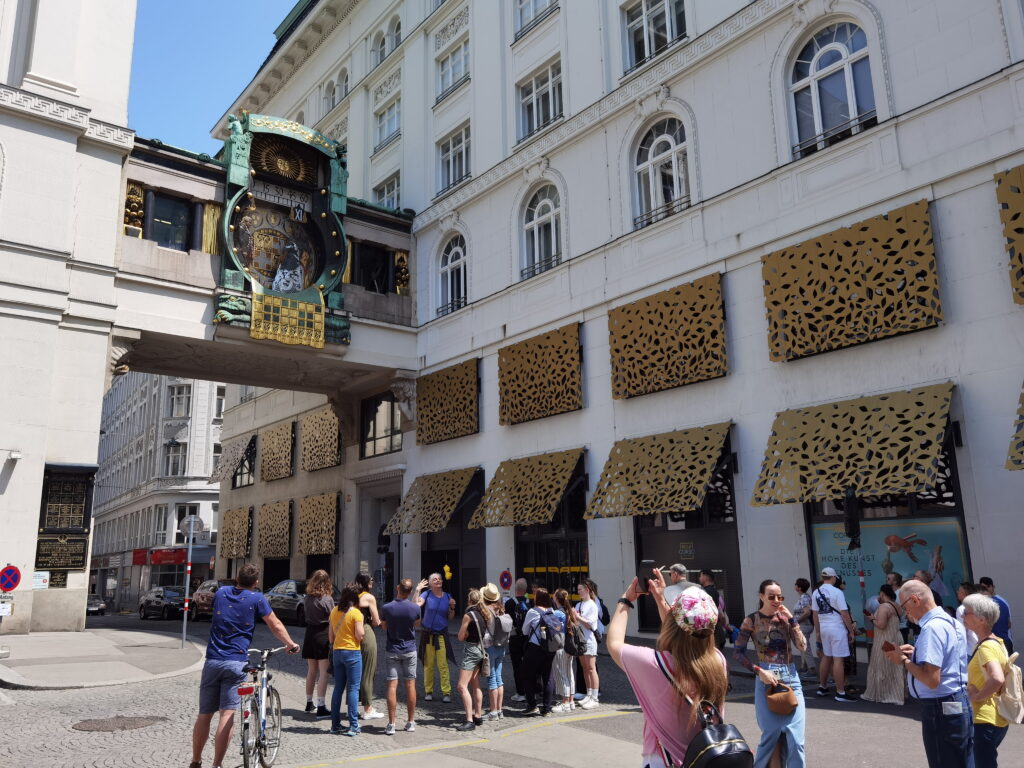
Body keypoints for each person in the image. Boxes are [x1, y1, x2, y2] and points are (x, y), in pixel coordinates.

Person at [608, 568, 728, 768]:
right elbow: (684, 633)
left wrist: (625, 600)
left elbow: (613, 644)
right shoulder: (718, 661)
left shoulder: (654, 664)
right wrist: (660, 599)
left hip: (664, 761)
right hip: (707, 760)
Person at [189, 564, 300, 768]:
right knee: (227, 713)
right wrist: (290, 644)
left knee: (204, 714)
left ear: (236, 579)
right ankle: (216, 764)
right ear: (256, 582)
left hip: (212, 661)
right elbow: (274, 624)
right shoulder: (257, 598)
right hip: (236, 662)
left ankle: (195, 761)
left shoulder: (222, 593)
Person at [884, 579, 973, 768]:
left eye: (904, 606)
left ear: (915, 600)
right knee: (961, 761)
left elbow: (931, 680)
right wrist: (916, 654)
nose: (905, 612)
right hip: (956, 701)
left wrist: (904, 660)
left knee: (943, 761)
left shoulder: (932, 628)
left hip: (940, 707)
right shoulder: (951, 621)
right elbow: (948, 660)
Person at [733, 579, 807, 767]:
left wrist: (792, 619)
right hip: (766, 677)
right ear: (761, 597)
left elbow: (802, 647)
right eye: (771, 596)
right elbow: (737, 653)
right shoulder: (751, 620)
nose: (776, 600)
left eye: (780, 597)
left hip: (790, 677)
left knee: (796, 739)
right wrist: (758, 671)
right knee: (770, 737)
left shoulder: (785, 620)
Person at [962, 593, 1009, 768]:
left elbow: (997, 678)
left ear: (981, 619)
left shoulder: (986, 647)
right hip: (996, 716)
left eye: (967, 612)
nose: (963, 615)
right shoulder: (996, 642)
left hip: (985, 718)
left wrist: (978, 696)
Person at [379, 578, 421, 736]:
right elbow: (416, 624)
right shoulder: (414, 608)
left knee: (392, 686)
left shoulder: (387, 608)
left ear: (398, 588)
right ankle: (410, 722)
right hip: (410, 649)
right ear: (410, 592)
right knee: (411, 685)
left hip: (392, 649)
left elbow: (383, 626)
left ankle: (391, 724)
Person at [811, 567, 857, 702]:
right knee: (838, 660)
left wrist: (817, 631)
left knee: (826, 657)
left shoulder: (816, 592)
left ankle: (822, 687)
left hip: (824, 628)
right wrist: (851, 630)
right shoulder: (837, 592)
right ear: (833, 577)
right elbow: (844, 613)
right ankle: (840, 692)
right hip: (837, 628)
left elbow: (815, 614)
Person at [329, 583, 365, 736]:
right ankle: (353, 726)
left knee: (338, 688)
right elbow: (360, 635)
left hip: (337, 652)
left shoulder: (334, 611)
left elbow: (331, 637)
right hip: (352, 652)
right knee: (353, 688)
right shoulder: (356, 613)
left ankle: (335, 725)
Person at [415, 573, 456, 702]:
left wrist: (452, 607)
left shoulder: (448, 596)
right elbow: (416, 605)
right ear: (430, 583)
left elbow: (450, 617)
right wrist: (417, 590)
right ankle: (428, 691)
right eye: (434, 579)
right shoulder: (426, 594)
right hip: (427, 634)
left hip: (441, 634)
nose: (438, 580)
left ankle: (446, 692)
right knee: (428, 664)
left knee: (443, 664)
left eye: (439, 579)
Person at [861, 585, 904, 706]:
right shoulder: (896, 605)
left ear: (882, 594)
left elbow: (881, 625)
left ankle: (883, 694)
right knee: (895, 667)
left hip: (884, 639)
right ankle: (897, 693)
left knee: (882, 666)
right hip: (896, 637)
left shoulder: (884, 606)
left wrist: (872, 619)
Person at [301, 569, 335, 718]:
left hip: (309, 634)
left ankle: (309, 703)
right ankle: (321, 706)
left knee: (311, 671)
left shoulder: (307, 598)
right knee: (324, 673)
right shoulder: (327, 599)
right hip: (322, 634)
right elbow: (333, 619)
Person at [522, 587, 560, 716]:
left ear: (537, 598)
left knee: (528, 675)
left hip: (535, 648)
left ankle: (532, 705)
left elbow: (524, 631)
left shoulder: (533, 611)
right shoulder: (551, 610)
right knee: (548, 677)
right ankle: (547, 708)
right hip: (550, 648)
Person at [454, 588, 487, 731]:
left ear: (469, 600)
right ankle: (478, 715)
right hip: (481, 649)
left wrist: (466, 632)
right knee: (475, 684)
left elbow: (460, 637)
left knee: (461, 686)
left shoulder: (469, 615)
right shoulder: (483, 614)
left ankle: (469, 720)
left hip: (471, 650)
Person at [354, 572, 383, 720]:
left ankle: (352, 709)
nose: (372, 581)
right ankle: (368, 708)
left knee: (353, 673)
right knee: (368, 670)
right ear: (366, 582)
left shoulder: (351, 595)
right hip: (365, 631)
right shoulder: (369, 597)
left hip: (350, 633)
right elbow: (376, 621)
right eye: (371, 579)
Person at [480, 583, 507, 720]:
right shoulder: (500, 609)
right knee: (499, 678)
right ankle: (500, 710)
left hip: (490, 647)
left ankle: (493, 711)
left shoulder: (485, 610)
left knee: (492, 680)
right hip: (501, 646)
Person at [504, 578, 532, 702]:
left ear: (515, 589)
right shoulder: (530, 602)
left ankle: (520, 693)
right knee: (529, 665)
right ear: (526, 590)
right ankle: (531, 690)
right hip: (528, 638)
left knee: (517, 665)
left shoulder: (509, 603)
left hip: (514, 637)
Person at [576, 579, 601, 709]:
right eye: (578, 589)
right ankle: (589, 693)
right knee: (584, 668)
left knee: (591, 668)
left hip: (589, 640)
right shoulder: (579, 605)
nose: (578, 591)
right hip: (580, 640)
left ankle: (595, 697)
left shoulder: (592, 605)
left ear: (587, 590)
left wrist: (578, 617)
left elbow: (590, 624)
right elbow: (577, 623)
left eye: (580, 589)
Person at [551, 588, 577, 714]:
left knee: (561, 674)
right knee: (569, 673)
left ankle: (565, 703)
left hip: (560, 646)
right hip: (569, 646)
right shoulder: (568, 611)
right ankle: (571, 701)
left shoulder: (557, 613)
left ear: (556, 598)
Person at [979, 577, 1013, 656]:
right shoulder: (1001, 601)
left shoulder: (990, 603)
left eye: (987, 587)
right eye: (983, 588)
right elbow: (1009, 624)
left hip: (999, 643)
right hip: (1001, 642)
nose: (985, 590)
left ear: (992, 587)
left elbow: (1009, 623)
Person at [699, 569, 731, 651]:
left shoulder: (705, 592)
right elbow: (721, 614)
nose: (699, 578)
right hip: (717, 631)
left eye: (701, 575)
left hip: (711, 634)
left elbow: (720, 614)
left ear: (705, 577)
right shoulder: (715, 592)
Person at [792, 578, 816, 676]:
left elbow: (807, 612)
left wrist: (797, 621)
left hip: (804, 625)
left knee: (805, 647)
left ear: (799, 587)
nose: (795, 586)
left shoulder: (804, 598)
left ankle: (812, 668)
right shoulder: (804, 597)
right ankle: (804, 666)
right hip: (803, 625)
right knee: (802, 645)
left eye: (796, 584)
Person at [955, 583, 980, 653]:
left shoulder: (961, 609)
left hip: (969, 649)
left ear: (965, 594)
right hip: (980, 645)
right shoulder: (979, 606)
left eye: (959, 591)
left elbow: (961, 632)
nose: (957, 592)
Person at [888, 572, 910, 643]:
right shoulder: (893, 593)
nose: (886, 580)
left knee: (902, 652)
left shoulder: (900, 593)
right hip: (894, 628)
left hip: (901, 628)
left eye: (888, 579)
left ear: (895, 581)